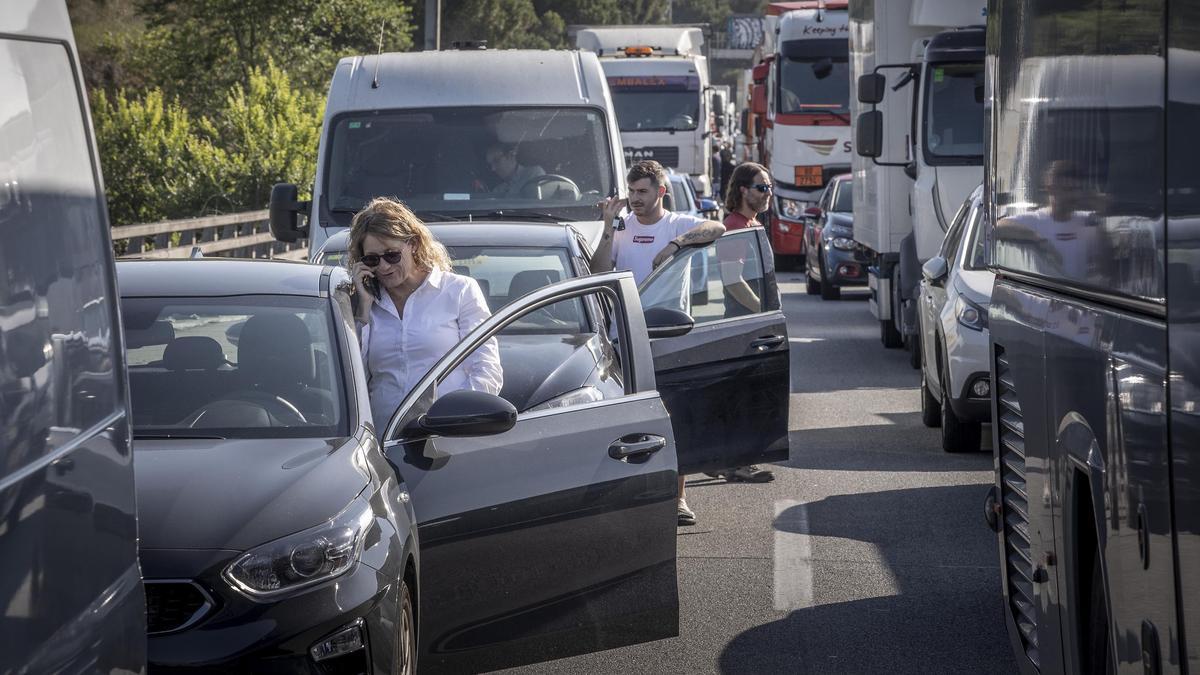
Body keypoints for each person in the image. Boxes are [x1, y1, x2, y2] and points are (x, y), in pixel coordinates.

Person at [592, 159, 726, 526]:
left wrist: (677, 245)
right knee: (624, 417)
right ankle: (625, 497)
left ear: (660, 192)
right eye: (632, 192)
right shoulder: (621, 229)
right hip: (623, 337)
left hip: (669, 334)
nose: (635, 199)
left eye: (642, 192)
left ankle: (678, 498)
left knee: (672, 417)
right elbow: (598, 272)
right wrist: (607, 225)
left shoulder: (677, 224)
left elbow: (718, 226)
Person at [349, 197, 503, 434]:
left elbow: (487, 370)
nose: (383, 267)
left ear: (413, 244)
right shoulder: (362, 303)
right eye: (372, 259)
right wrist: (363, 308)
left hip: (447, 434)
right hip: (381, 441)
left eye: (392, 255)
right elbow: (349, 376)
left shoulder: (459, 291)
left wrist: (456, 421)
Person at [704, 162, 777, 484]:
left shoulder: (750, 223)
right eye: (761, 187)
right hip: (742, 324)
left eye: (769, 187)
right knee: (742, 396)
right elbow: (733, 281)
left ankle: (721, 458)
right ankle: (735, 462)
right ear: (743, 190)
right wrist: (764, 311)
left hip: (750, 323)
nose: (767, 193)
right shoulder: (735, 226)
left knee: (740, 394)